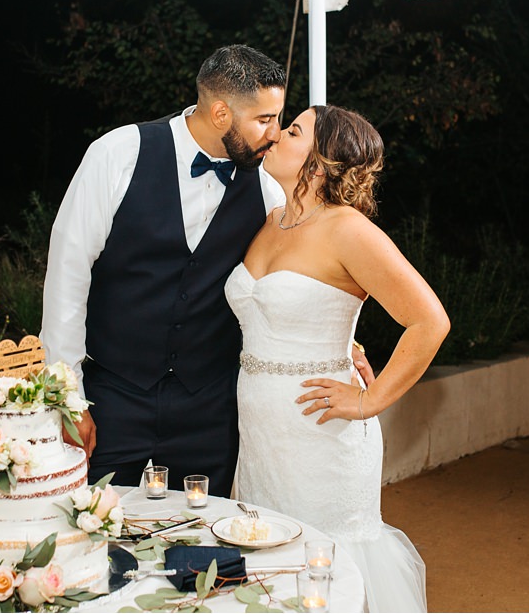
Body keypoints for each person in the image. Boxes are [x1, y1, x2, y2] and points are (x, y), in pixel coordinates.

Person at [226, 104, 448, 614]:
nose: (277, 134)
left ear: (321, 162)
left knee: (327, 573)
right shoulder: (270, 222)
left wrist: (369, 400)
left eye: (294, 130)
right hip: (261, 438)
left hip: (322, 436)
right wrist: (349, 341)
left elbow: (430, 321)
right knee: (272, 568)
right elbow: (290, 311)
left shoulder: (348, 229)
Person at [39, 44, 287, 494]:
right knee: (94, 533)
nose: (276, 134)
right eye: (264, 120)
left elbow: (289, 287)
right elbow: (67, 277)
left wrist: (349, 347)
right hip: (112, 395)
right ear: (219, 113)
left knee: (201, 544)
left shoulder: (269, 193)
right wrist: (69, 399)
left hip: (209, 407)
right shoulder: (117, 154)